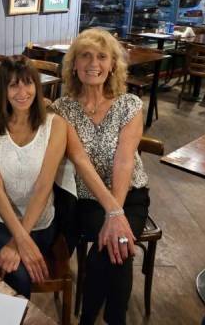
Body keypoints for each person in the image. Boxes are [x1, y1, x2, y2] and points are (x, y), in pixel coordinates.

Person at [52, 28, 149, 325]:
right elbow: (80, 161)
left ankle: (93, 319)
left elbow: (124, 161)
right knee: (117, 247)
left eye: (102, 57)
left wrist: (116, 211)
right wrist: (111, 211)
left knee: (111, 247)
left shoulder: (129, 104)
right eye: (85, 56)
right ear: (74, 65)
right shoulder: (62, 109)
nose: (93, 63)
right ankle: (114, 320)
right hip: (85, 199)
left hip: (130, 194)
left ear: (111, 66)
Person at [0, 55, 67, 298]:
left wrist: (18, 241)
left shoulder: (55, 125)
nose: (22, 91)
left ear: (37, 86)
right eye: (13, 85)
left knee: (18, 273)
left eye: (28, 83)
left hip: (39, 222)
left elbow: (44, 186)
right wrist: (19, 238)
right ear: (3, 91)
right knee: (18, 275)